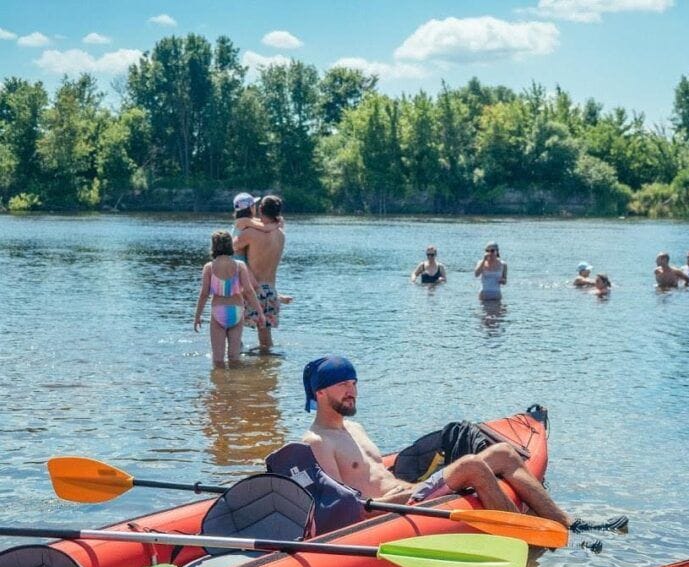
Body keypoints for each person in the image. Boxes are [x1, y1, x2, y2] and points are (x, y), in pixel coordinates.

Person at [301, 356, 571, 526]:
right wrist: (402, 495)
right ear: (320, 392)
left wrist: (408, 487)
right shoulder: (316, 442)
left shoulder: (354, 428)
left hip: (410, 491)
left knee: (503, 453)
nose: (352, 392)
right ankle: (524, 533)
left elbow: (372, 471)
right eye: (342, 386)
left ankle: (565, 522)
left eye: (353, 383)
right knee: (471, 466)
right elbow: (339, 508)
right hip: (387, 510)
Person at [193, 231, 264, 365]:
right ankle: (234, 383)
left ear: (213, 246)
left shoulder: (209, 267)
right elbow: (248, 291)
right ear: (230, 246)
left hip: (218, 312)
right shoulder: (239, 266)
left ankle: (220, 385)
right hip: (237, 311)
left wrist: (197, 316)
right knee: (234, 357)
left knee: (218, 359)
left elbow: (204, 294)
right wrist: (260, 312)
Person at [234, 194, 287, 353]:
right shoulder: (281, 235)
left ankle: (235, 363)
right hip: (271, 291)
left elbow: (230, 247)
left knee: (235, 328)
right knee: (265, 336)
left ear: (260, 210)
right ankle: (267, 366)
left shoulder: (250, 233)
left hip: (252, 290)